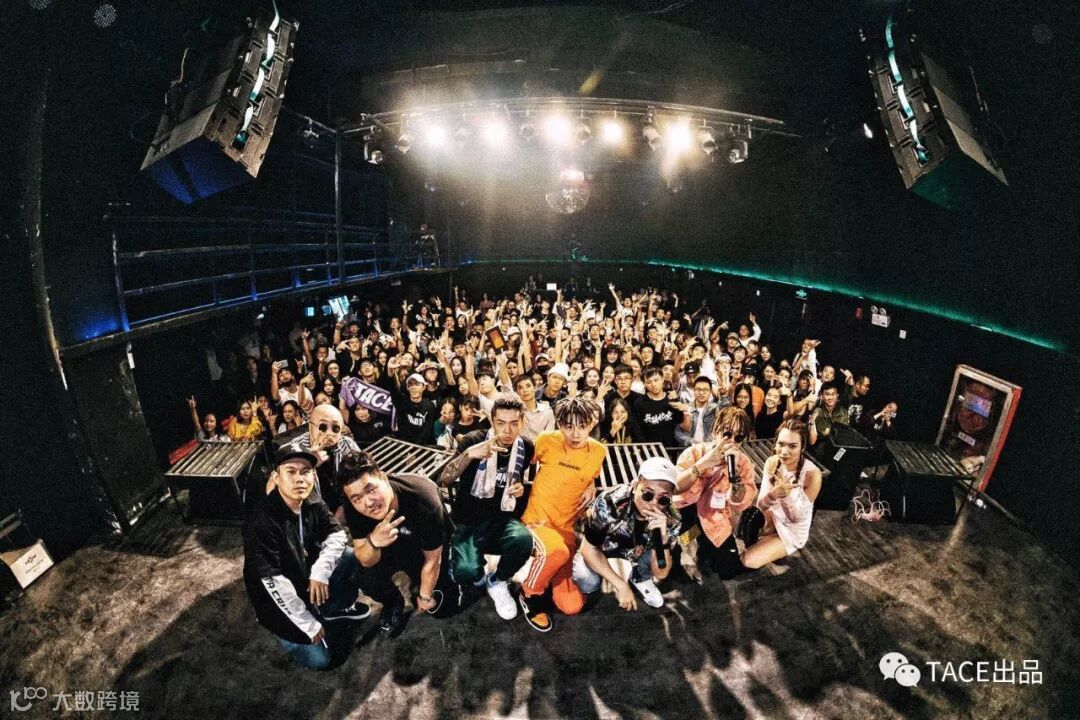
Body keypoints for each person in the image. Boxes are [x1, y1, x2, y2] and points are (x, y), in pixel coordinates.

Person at [242, 446, 370, 671]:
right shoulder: (260, 521)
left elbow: (337, 533)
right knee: (322, 661)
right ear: (276, 477)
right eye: (291, 472)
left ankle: (333, 609)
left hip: (307, 578)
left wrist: (320, 570)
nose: (299, 479)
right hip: (276, 599)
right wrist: (307, 623)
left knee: (350, 556)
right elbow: (272, 582)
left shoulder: (311, 499)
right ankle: (296, 625)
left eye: (306, 471)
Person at [438, 393, 535, 620]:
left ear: (522, 422)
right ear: (492, 420)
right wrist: (470, 455)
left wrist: (520, 488)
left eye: (514, 423)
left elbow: (519, 479)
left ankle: (498, 580)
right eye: (501, 423)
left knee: (524, 540)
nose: (507, 430)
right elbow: (445, 479)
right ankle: (472, 566)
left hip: (502, 517)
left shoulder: (526, 447)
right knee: (465, 573)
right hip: (468, 520)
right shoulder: (472, 440)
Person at [340, 457, 459, 638]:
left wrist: (425, 596)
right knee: (362, 575)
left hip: (424, 546)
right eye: (357, 499)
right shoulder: (353, 506)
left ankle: (428, 580)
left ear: (384, 478)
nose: (368, 502)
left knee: (444, 608)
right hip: (385, 544)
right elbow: (365, 559)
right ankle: (393, 600)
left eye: (371, 490)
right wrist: (373, 542)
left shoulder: (423, 499)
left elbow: (433, 559)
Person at [518, 396, 606, 632]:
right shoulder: (546, 440)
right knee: (555, 551)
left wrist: (592, 484)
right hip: (537, 522)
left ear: (592, 423)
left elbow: (589, 474)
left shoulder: (599, 451)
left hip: (567, 530)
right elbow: (518, 461)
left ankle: (544, 574)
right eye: (568, 426)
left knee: (572, 606)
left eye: (582, 426)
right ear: (559, 424)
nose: (575, 433)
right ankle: (529, 594)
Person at [572, 456, 682, 610]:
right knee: (586, 580)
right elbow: (588, 548)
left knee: (661, 556)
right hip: (603, 547)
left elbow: (661, 574)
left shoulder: (672, 519)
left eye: (663, 499)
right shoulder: (609, 502)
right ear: (635, 485)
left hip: (638, 551)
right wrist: (621, 585)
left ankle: (639, 577)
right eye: (648, 494)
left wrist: (662, 540)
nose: (653, 503)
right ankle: (605, 577)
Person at [674, 407, 757, 579]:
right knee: (676, 545)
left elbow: (741, 502)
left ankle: (705, 547)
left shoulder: (743, 463)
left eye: (738, 437)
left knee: (727, 570)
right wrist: (704, 463)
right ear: (714, 431)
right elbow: (676, 487)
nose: (731, 441)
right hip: (687, 515)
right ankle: (682, 548)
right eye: (727, 434)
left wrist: (736, 481)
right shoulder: (695, 452)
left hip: (714, 517)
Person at [741, 420, 821, 569]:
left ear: (802, 447)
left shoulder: (812, 475)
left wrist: (785, 497)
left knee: (748, 560)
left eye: (792, 446)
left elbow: (796, 518)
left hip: (792, 530)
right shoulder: (772, 462)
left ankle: (776, 549)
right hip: (771, 519)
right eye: (781, 444)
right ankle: (767, 544)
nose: (784, 451)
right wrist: (773, 495)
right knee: (747, 517)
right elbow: (761, 505)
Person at [275, 405, 362, 512]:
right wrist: (308, 463)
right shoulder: (292, 450)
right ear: (310, 426)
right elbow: (276, 492)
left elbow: (364, 474)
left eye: (335, 428)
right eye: (323, 427)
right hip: (310, 512)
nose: (329, 433)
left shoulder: (347, 444)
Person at [631, 367, 691, 447]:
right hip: (649, 449)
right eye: (648, 382)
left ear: (662, 379)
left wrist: (686, 411)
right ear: (644, 384)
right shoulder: (639, 403)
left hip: (672, 449)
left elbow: (683, 427)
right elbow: (637, 431)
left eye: (656, 380)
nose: (653, 385)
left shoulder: (672, 399)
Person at [675, 376, 719, 447]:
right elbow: (678, 433)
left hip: (709, 448)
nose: (701, 393)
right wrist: (693, 443)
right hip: (689, 449)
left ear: (710, 391)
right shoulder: (685, 408)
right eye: (698, 389)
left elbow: (725, 406)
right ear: (693, 390)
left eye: (705, 390)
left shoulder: (714, 408)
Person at [513, 374, 554, 442]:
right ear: (517, 392)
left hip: (542, 446)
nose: (525, 390)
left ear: (535, 388)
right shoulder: (514, 412)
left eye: (528, 386)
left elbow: (549, 437)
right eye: (520, 388)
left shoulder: (547, 411)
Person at [809, 381, 849, 448]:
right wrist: (812, 425)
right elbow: (812, 441)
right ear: (822, 396)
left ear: (837, 395)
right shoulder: (817, 413)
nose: (830, 398)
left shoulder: (843, 412)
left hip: (839, 446)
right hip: (822, 448)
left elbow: (844, 434)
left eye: (833, 394)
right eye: (827, 394)